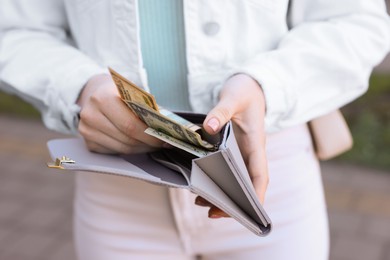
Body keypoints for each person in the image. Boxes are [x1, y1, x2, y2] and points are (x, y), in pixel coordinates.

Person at [0, 0, 389, 259]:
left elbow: (356, 20)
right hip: (118, 183)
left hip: (268, 167)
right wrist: (79, 87)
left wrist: (267, 85)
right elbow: (14, 27)